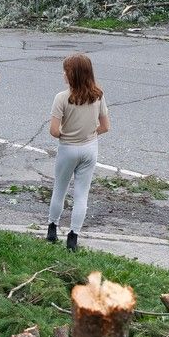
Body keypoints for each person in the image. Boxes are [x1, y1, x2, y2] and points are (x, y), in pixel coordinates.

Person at [46, 54, 109, 251]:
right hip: (90, 148)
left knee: (60, 189)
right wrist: (89, 134)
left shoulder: (62, 98)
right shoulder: (98, 95)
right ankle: (73, 236)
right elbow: (105, 126)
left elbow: (54, 131)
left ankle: (52, 228)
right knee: (82, 194)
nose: (63, 74)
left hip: (68, 148)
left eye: (66, 71)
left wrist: (67, 134)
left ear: (72, 75)